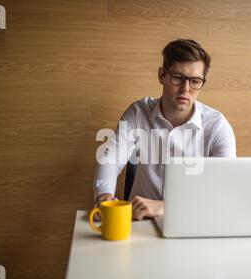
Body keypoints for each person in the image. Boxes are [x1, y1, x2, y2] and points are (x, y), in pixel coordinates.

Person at [93, 39, 236, 221]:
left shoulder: (217, 126)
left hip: (194, 222)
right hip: (140, 222)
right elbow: (111, 157)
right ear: (161, 75)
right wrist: (103, 196)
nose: (185, 89)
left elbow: (224, 188)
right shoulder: (138, 112)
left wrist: (164, 207)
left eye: (195, 81)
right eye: (177, 77)